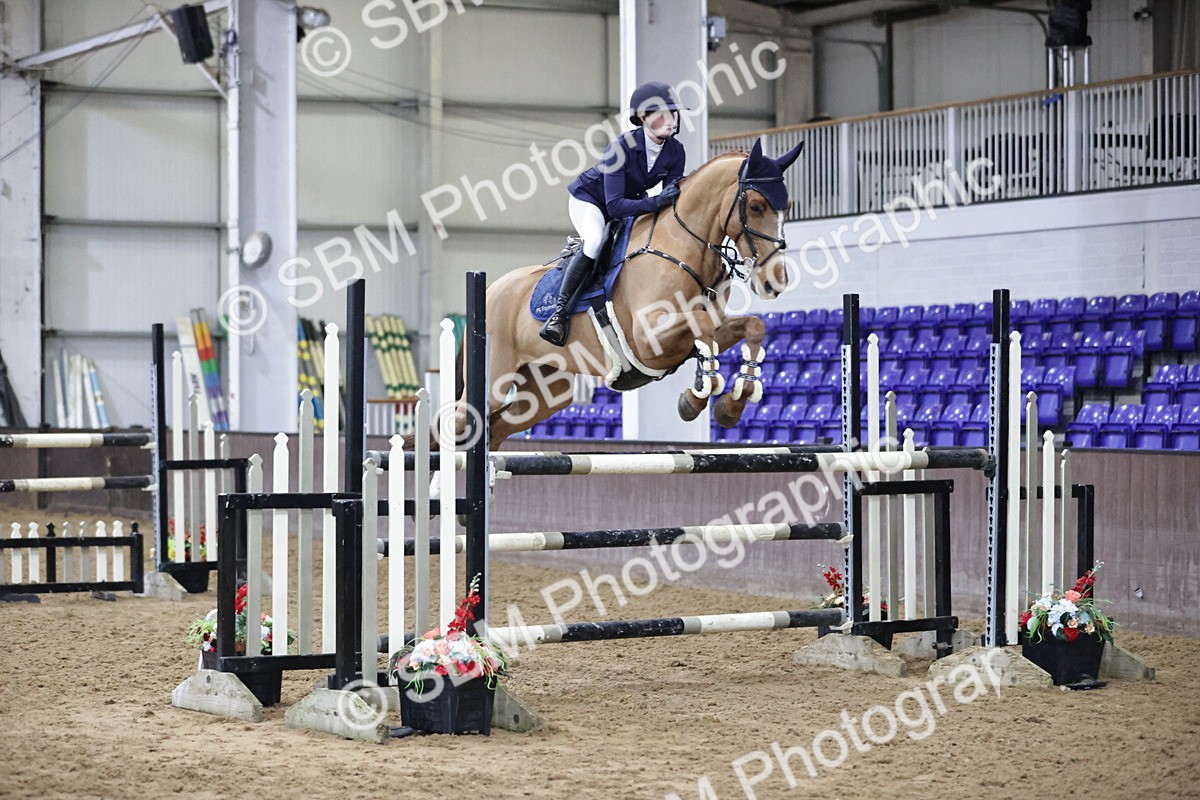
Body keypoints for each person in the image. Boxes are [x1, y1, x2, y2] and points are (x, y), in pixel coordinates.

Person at [539, 81, 688, 346]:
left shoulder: (676, 152)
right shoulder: (621, 147)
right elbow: (615, 206)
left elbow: (669, 201)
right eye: (663, 113)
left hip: (631, 201)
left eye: (674, 113)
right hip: (592, 200)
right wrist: (655, 202)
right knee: (595, 240)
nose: (671, 119)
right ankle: (559, 315)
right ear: (643, 118)